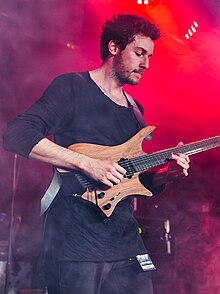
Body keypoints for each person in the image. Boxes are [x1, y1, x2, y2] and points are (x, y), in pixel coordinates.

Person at [3, 14, 190, 294]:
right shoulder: (72, 87)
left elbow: (133, 182)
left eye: (149, 56)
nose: (146, 64)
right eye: (139, 53)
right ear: (114, 47)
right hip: (77, 242)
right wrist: (87, 163)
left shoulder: (135, 110)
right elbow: (17, 133)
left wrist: (166, 175)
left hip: (126, 242)